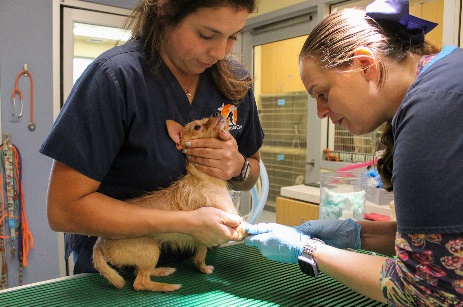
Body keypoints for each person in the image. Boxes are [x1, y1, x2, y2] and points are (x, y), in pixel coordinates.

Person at [244, 0, 463, 306]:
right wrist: (355, 234)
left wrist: (307, 250)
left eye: (322, 94)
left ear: (366, 65)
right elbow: (439, 245)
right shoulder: (446, 72)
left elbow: (427, 289)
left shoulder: (433, 109)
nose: (321, 112)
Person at [40, 0, 264, 274]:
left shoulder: (235, 83)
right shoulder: (115, 78)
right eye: (206, 35)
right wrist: (186, 223)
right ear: (164, 11)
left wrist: (238, 167)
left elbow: (251, 170)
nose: (219, 52)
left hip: (204, 269)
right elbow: (64, 210)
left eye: (232, 37)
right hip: (121, 268)